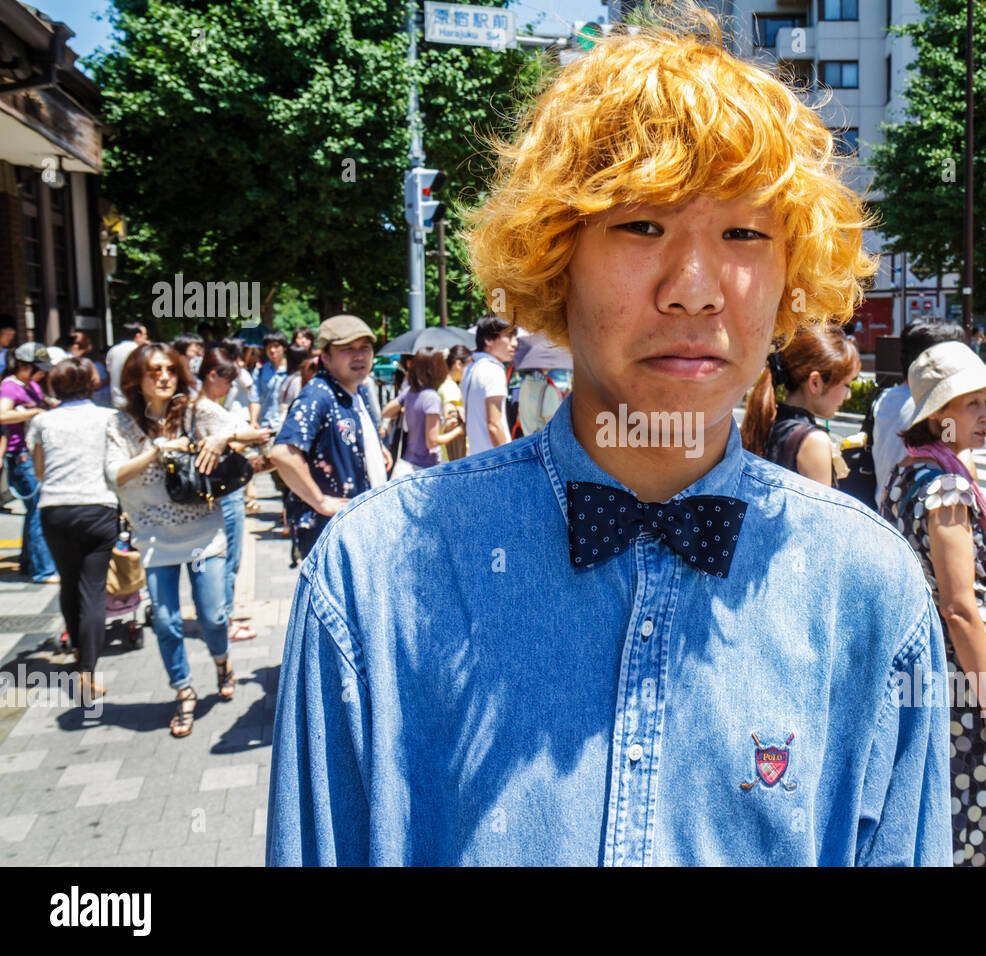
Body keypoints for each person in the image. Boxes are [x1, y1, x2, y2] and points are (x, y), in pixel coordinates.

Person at [268, 14, 949, 866]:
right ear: (556, 259)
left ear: (789, 277)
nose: (695, 290)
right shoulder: (377, 576)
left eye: (744, 233)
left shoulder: (871, 589)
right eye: (640, 225)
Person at [882, 341, 986, 867]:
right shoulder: (944, 486)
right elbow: (961, 606)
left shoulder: (910, 472)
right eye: (974, 404)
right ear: (940, 415)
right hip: (962, 683)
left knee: (943, 817)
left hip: (936, 675)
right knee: (973, 823)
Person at [106, 344, 264, 737]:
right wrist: (155, 452)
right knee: (165, 620)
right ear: (136, 378)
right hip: (154, 536)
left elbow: (252, 433)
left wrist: (220, 439)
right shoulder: (121, 424)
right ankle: (184, 691)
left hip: (202, 534)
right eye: (153, 371)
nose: (162, 377)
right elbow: (115, 475)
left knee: (212, 614)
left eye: (169, 371)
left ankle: (221, 659)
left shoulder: (194, 410)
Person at [27, 358, 119, 701]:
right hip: (98, 506)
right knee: (93, 590)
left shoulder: (42, 420)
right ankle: (88, 673)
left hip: (55, 508)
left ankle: (80, 657)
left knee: (68, 583)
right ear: (91, 383)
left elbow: (39, 470)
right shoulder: (108, 417)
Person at [267, 315, 390, 561]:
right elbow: (282, 454)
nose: (359, 356)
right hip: (333, 535)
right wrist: (321, 501)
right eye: (347, 349)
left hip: (362, 527)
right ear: (325, 357)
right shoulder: (318, 395)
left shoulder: (358, 390)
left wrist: (377, 450)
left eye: (365, 348)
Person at [198, 349, 273, 642]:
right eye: (228, 382)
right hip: (223, 492)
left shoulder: (194, 404)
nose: (229, 389)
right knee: (229, 558)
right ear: (212, 375)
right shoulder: (206, 408)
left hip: (211, 493)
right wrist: (247, 436)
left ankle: (221, 617)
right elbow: (251, 434)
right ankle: (224, 619)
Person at [740, 326, 860, 486]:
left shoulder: (767, 422)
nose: (849, 395)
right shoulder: (813, 441)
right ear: (815, 382)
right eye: (847, 384)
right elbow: (820, 511)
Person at [870, 317, 967, 511]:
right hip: (926, 519)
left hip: (888, 511)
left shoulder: (885, 398)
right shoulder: (937, 410)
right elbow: (957, 472)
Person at [0, 342, 59, 583]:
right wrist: (33, 413)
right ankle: (43, 570)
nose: (43, 373)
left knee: (33, 511)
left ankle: (28, 562)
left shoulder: (31, 386)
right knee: (38, 512)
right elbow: (2, 414)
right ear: (25, 366)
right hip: (21, 456)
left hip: (33, 452)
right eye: (40, 368)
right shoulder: (9, 387)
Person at [382, 348, 461, 478]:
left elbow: (385, 412)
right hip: (427, 466)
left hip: (409, 461)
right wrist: (459, 430)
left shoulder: (409, 392)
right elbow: (432, 441)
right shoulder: (431, 398)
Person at [460, 315, 517, 456]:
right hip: (493, 461)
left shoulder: (470, 368)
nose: (515, 343)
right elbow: (494, 425)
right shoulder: (493, 370)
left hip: (477, 457)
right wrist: (507, 460)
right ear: (489, 340)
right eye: (509, 337)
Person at [439, 345, 471, 461]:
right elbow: (450, 423)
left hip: (446, 453)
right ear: (458, 364)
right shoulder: (450, 389)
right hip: (453, 454)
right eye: (469, 365)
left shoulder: (445, 384)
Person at [107, 322, 149, 408]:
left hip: (116, 399)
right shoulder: (140, 351)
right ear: (137, 336)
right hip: (136, 402)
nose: (146, 337)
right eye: (145, 334)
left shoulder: (113, 350)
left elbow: (109, 371)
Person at [63, 332, 111, 406]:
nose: (81, 357)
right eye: (82, 353)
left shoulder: (64, 360)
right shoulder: (67, 362)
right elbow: (96, 384)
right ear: (75, 347)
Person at [256, 332, 289, 430]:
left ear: (284, 348)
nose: (272, 350)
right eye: (268, 347)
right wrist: (253, 421)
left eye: (276, 346)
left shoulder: (293, 371)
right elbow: (255, 397)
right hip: (265, 425)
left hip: (286, 426)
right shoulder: (260, 370)